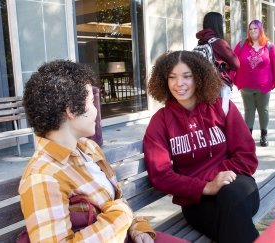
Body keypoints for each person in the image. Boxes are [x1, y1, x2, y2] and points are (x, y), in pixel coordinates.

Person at [19, 60, 186, 243]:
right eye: (91, 102)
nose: (96, 111)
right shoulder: (43, 177)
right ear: (71, 111)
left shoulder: (88, 149)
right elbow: (119, 211)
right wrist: (121, 217)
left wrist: (138, 228)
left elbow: (118, 201)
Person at [143, 51, 260, 243]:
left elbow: (247, 158)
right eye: (172, 77)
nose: (179, 83)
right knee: (233, 224)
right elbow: (160, 175)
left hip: (237, 187)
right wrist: (207, 186)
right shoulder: (161, 121)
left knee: (229, 197)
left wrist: (218, 180)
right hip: (197, 201)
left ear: (199, 77)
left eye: (187, 76)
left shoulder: (221, 107)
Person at [232, 20, 275, 147]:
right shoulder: (242, 44)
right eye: (250, 29)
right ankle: (248, 137)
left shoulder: (269, 45)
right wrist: (230, 77)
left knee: (263, 110)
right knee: (249, 110)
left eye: (255, 28)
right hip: (246, 85)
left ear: (260, 29)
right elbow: (232, 60)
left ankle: (264, 135)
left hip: (264, 85)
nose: (253, 31)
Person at [196, 11, 240, 113]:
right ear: (218, 25)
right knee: (222, 118)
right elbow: (236, 64)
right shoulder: (219, 42)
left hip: (204, 85)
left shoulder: (200, 42)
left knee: (209, 116)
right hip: (220, 85)